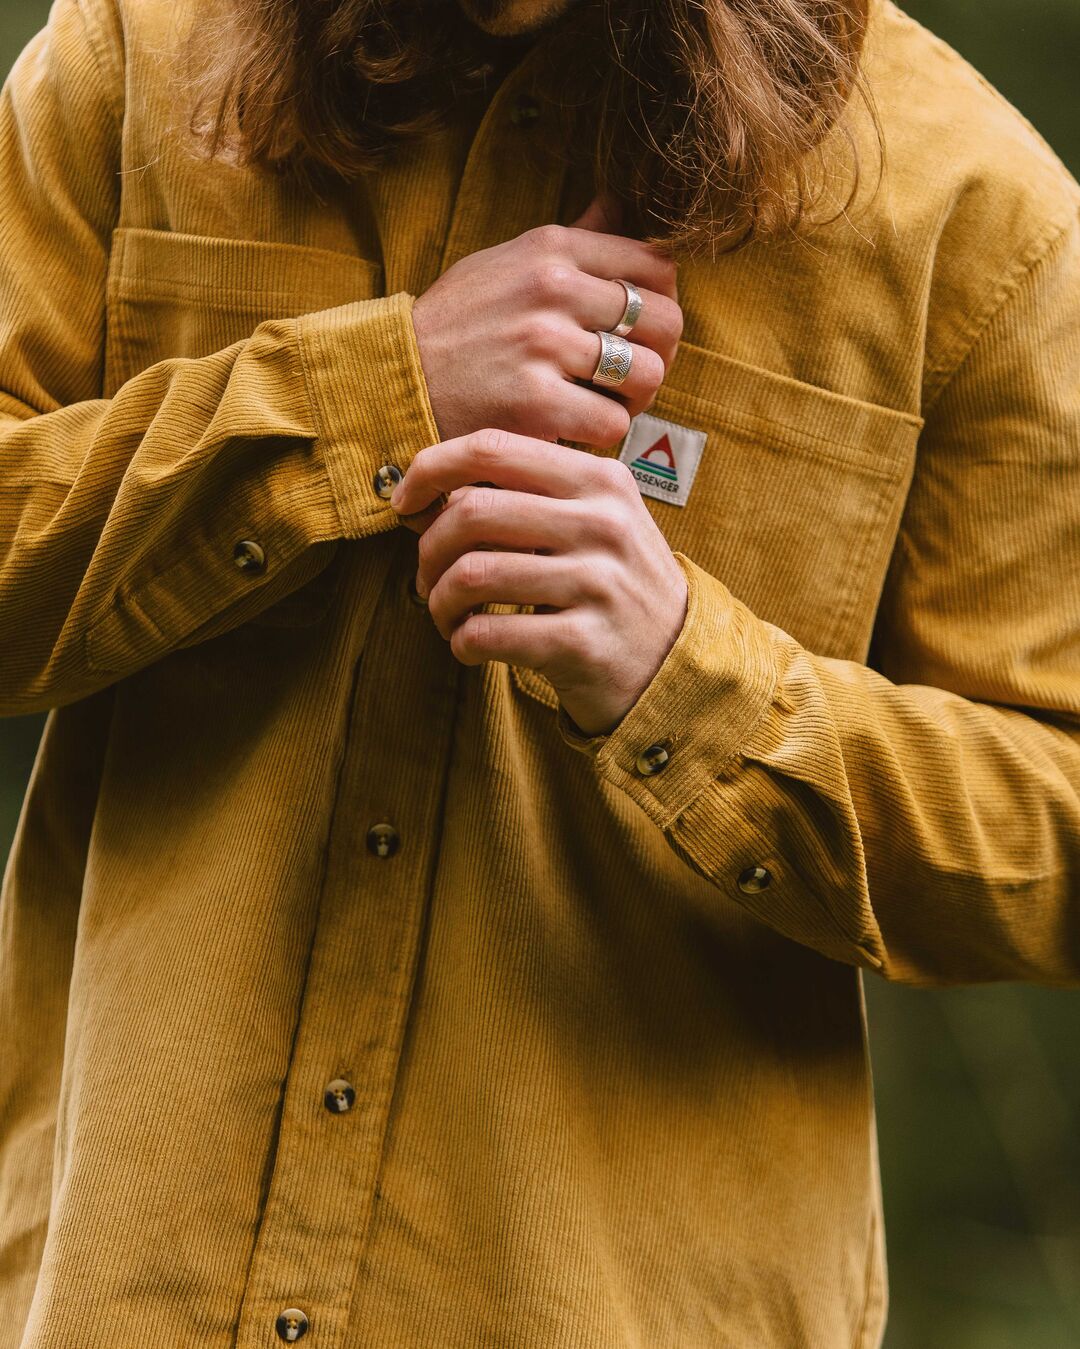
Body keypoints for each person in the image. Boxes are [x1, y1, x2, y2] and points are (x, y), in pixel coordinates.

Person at [0, 0, 1076, 1343]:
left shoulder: (974, 213)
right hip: (122, 1288)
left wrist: (688, 682)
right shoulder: (135, 52)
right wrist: (371, 393)